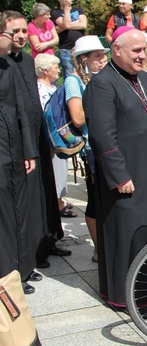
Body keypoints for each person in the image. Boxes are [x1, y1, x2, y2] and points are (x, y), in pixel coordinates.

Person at [83, 27, 147, 310]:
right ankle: (134, 295)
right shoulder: (102, 84)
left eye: (144, 49)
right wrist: (119, 174)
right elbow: (102, 134)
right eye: (136, 51)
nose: (143, 56)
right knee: (131, 230)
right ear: (117, 50)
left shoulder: (144, 79)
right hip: (129, 175)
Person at [5, 10, 70, 276]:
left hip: (38, 134)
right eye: (15, 32)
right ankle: (31, 253)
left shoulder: (28, 60)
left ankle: (49, 239)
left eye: (23, 31)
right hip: (19, 141)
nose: (21, 36)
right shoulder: (5, 63)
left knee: (47, 189)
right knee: (29, 198)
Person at [0, 11, 39, 294]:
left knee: (19, 211)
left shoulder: (10, 66)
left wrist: (28, 150)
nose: (16, 37)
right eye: (10, 33)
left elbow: (22, 112)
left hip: (14, 149)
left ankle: (22, 268)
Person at [69, 35, 110, 263]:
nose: (102, 60)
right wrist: (99, 104)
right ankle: (97, 249)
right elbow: (77, 118)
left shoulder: (99, 78)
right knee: (95, 199)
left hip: (105, 143)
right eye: (97, 56)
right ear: (83, 59)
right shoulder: (73, 82)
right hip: (91, 148)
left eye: (103, 55)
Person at [35, 54, 76, 219]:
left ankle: (59, 201)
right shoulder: (41, 90)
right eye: (55, 67)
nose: (58, 70)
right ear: (45, 71)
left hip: (59, 137)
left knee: (60, 170)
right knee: (56, 171)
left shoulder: (51, 87)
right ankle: (57, 204)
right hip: (53, 139)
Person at [51, 0, 87, 79]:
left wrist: (64, 27)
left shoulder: (78, 9)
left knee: (84, 75)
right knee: (70, 77)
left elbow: (83, 25)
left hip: (80, 49)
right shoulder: (56, 13)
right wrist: (66, 9)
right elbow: (66, 25)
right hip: (66, 50)